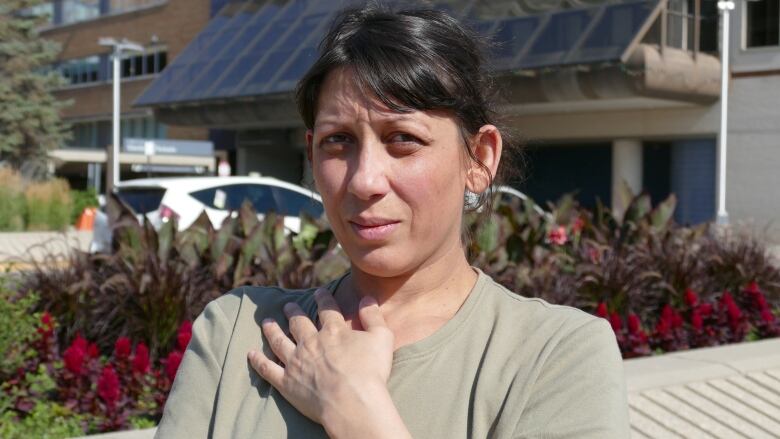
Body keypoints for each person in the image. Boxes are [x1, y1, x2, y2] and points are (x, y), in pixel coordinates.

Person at [155, 5, 630, 438]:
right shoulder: (236, 331)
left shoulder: (554, 356)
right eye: (338, 141)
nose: (364, 181)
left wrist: (356, 407)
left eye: (403, 139)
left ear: (479, 159)